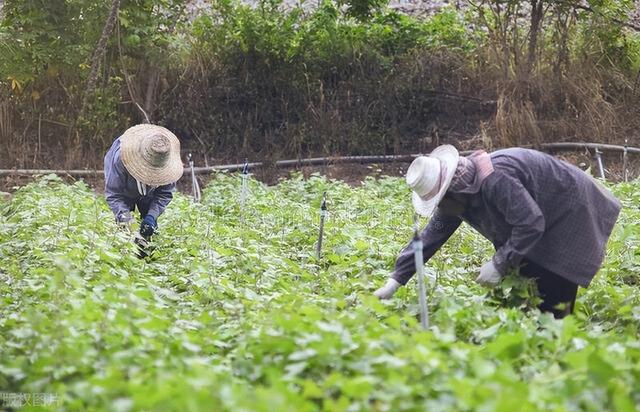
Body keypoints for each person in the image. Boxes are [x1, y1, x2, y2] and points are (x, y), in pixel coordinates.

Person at [374, 145, 622, 318]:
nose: (440, 208)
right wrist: (396, 279)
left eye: (440, 201)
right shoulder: (458, 196)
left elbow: (530, 223)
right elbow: (431, 235)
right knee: (527, 268)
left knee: (555, 278)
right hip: (539, 214)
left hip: (570, 208)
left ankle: (558, 341)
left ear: (451, 191)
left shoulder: (496, 179)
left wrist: (498, 264)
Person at [104, 124, 183, 254]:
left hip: (149, 192)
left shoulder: (168, 161)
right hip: (125, 189)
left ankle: (146, 253)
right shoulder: (121, 159)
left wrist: (151, 216)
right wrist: (128, 221)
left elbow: (164, 194)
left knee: (149, 226)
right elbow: (114, 195)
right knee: (125, 230)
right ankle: (127, 255)